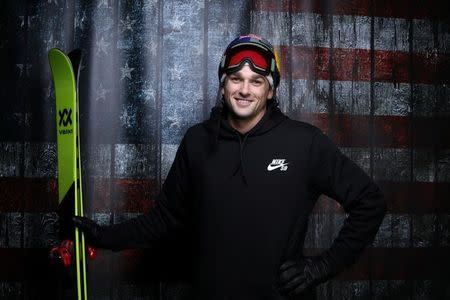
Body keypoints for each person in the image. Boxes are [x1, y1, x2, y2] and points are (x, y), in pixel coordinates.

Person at [72, 34, 386, 299]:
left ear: (271, 89)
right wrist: (103, 236)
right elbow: (163, 220)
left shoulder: (304, 143)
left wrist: (322, 267)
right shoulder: (197, 142)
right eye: (236, 79)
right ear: (223, 85)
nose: (244, 90)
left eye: (256, 81)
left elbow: (370, 202)